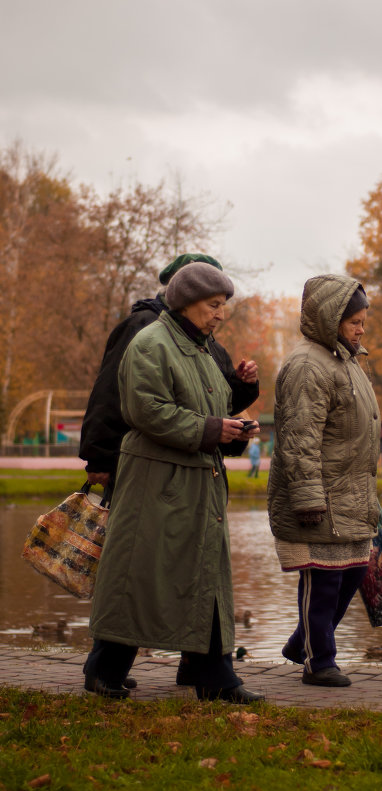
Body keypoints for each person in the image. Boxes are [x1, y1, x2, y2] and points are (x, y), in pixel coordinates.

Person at [84, 261, 264, 704]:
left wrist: (236, 425)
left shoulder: (201, 349)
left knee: (206, 578)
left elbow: (212, 409)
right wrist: (210, 430)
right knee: (140, 576)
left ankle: (215, 677)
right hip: (155, 484)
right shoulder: (150, 343)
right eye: (214, 305)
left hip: (199, 484)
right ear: (186, 303)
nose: (221, 314)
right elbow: (146, 409)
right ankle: (104, 669)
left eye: (224, 306)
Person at [267, 275, 381, 688]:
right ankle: (320, 662)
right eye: (353, 320)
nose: (360, 328)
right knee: (323, 576)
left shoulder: (345, 361)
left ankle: (303, 643)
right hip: (319, 496)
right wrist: (307, 497)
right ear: (329, 319)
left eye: (363, 319)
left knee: (352, 572)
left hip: (352, 493)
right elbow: (300, 438)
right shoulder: (307, 366)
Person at [79, 252, 259, 487]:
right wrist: (99, 458)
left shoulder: (206, 340)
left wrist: (243, 385)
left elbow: (213, 402)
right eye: (212, 302)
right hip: (143, 466)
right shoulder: (145, 329)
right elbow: (111, 393)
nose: (220, 314)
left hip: (195, 470)